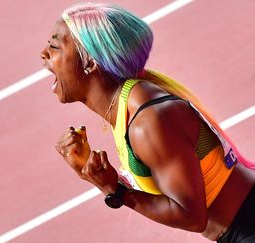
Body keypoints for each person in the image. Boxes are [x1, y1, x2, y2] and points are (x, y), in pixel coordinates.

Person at [40, 3, 255, 242]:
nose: (43, 53)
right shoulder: (127, 104)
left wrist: (117, 192)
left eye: (54, 46)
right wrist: (101, 177)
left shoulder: (147, 122)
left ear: (90, 63)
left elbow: (192, 216)